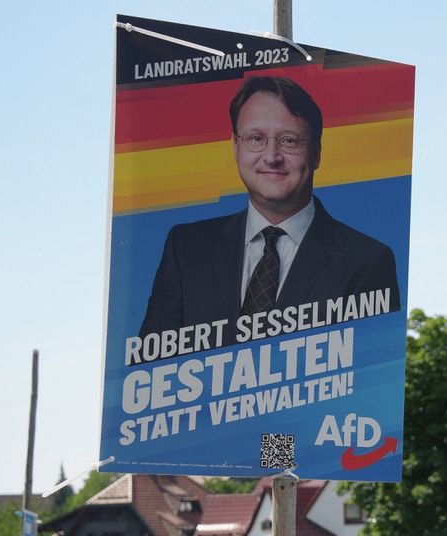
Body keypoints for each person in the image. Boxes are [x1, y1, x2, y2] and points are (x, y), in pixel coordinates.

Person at [139, 74, 401, 351]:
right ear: (236, 147)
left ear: (316, 152)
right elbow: (153, 366)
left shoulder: (366, 261)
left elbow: (369, 379)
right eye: (256, 138)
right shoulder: (186, 248)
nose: (272, 156)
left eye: (289, 140)